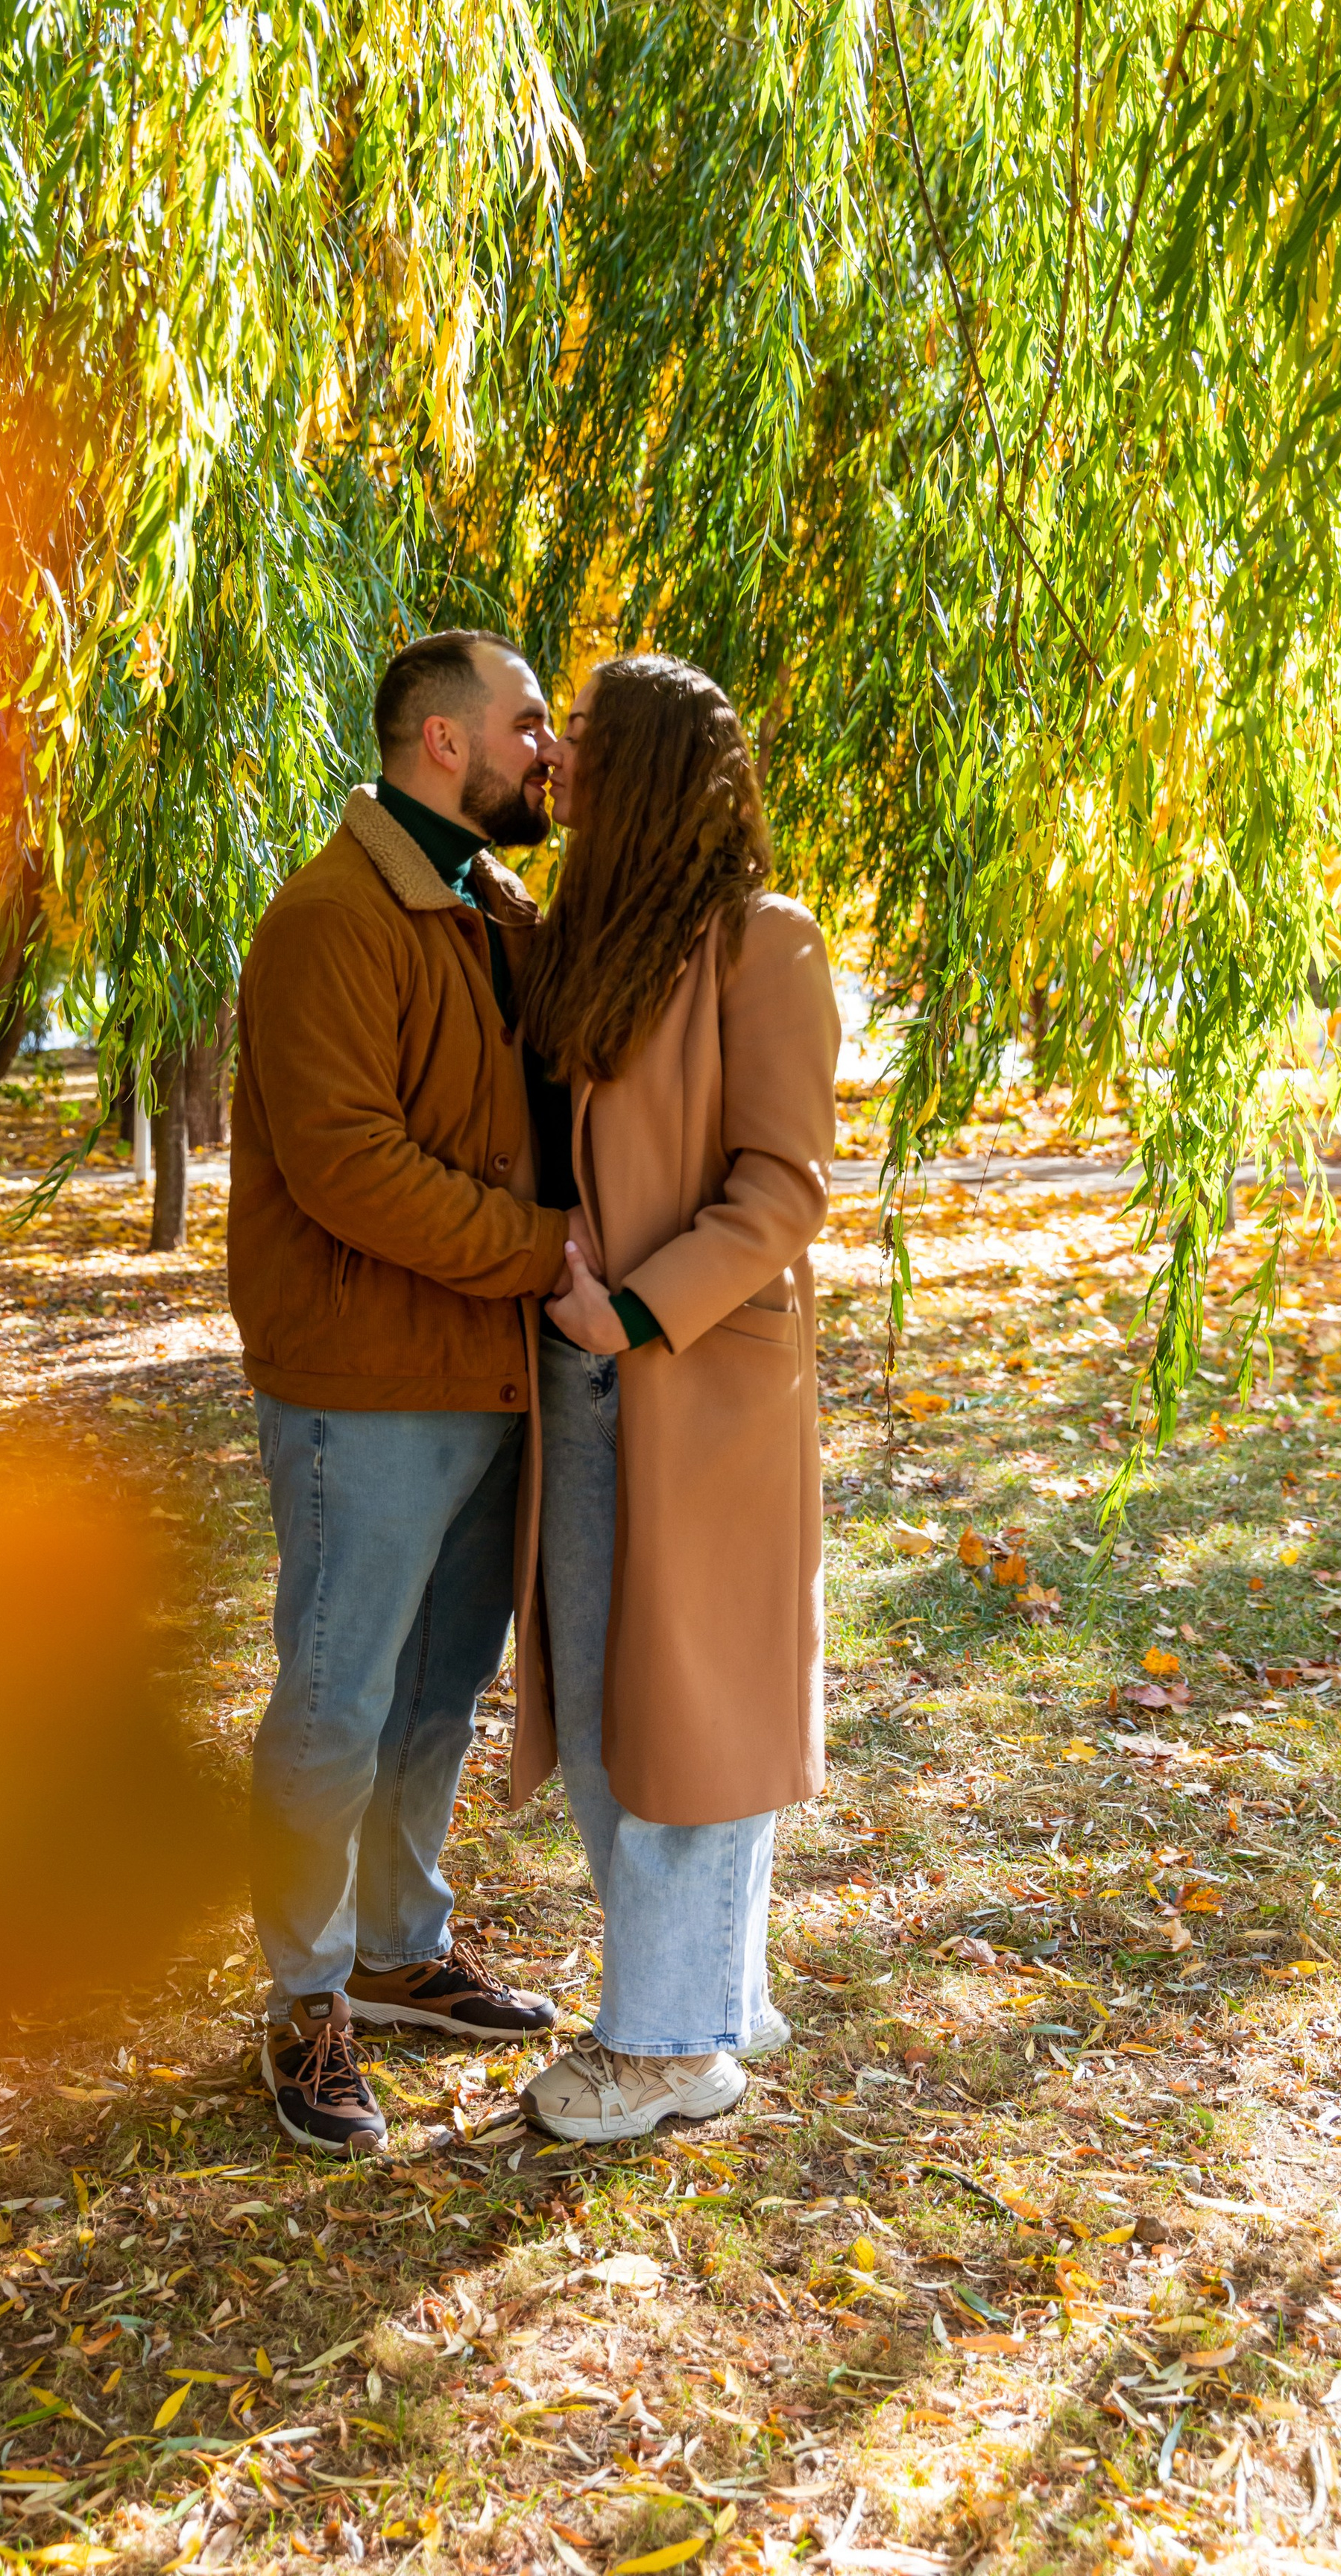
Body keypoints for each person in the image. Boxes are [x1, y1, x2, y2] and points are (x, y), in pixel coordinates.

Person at [228, 629, 576, 2153]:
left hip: (483, 1365)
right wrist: (544, 1251)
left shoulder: (491, 904)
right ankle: (303, 1999)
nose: (546, 751)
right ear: (444, 742)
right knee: (336, 1698)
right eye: (528, 723)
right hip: (365, 1380)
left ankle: (395, 1951)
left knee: (437, 1690)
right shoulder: (330, 917)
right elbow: (348, 1164)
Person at [508, 654, 841, 2142]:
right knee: (603, 1711)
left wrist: (633, 1311)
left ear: (639, 764)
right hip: (580, 1381)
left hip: (699, 1381)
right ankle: (704, 2006)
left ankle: (659, 2048)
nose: (555, 754)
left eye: (578, 733)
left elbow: (783, 1186)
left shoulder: (764, 943)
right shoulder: (582, 935)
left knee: (692, 1717)